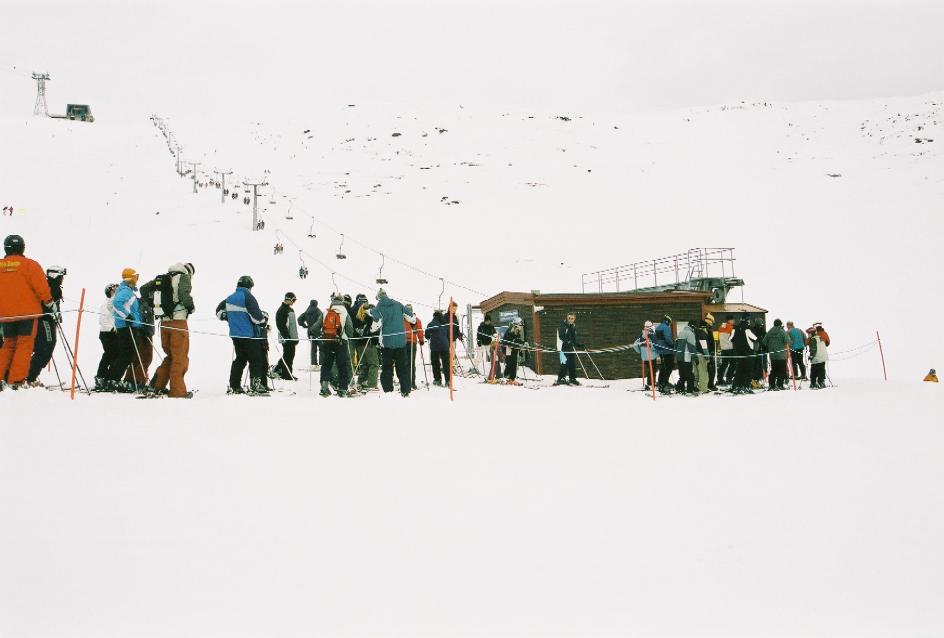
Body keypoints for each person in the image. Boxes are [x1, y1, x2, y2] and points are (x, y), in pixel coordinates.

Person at [0, 235, 53, 390]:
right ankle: (16, 380)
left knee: (8, 344)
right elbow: (41, 287)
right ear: (22, 247)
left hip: (5, 314)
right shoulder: (30, 265)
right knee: (24, 346)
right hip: (27, 314)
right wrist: (49, 302)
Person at [149, 262, 195, 398]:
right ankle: (178, 391)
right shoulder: (183, 277)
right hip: (178, 323)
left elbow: (145, 290)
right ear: (189, 272)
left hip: (164, 323)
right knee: (180, 358)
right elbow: (183, 294)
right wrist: (191, 307)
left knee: (170, 356)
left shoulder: (164, 278)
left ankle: (156, 386)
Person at [217, 275, 268, 395]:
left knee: (240, 359)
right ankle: (255, 385)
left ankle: (235, 385)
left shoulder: (230, 298)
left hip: (235, 335)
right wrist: (263, 320)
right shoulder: (248, 297)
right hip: (249, 335)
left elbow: (219, 312)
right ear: (249, 286)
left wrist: (229, 318)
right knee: (255, 360)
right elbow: (257, 318)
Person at [369, 289, 416, 397]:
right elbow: (412, 319)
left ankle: (388, 391)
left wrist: (371, 330)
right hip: (401, 341)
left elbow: (376, 324)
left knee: (387, 367)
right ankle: (405, 390)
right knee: (402, 367)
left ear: (378, 298)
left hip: (387, 343)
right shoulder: (398, 304)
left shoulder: (378, 307)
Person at [105, 268, 144, 392]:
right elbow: (117, 303)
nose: (137, 280)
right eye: (135, 277)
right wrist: (127, 316)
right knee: (126, 355)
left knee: (125, 354)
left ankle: (111, 379)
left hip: (127, 326)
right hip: (127, 326)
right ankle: (113, 380)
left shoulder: (126, 290)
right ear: (131, 278)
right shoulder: (126, 291)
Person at [26, 265, 66, 387]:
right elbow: (47, 302)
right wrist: (54, 313)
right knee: (46, 348)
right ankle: (30, 377)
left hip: (42, 320)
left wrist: (57, 314)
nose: (62, 279)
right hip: (45, 320)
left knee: (40, 348)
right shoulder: (53, 287)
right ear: (56, 276)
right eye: (61, 276)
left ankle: (28, 375)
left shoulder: (49, 285)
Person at [319, 293, 354, 397]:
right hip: (340, 342)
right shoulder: (344, 311)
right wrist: (348, 336)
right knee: (342, 365)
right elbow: (350, 329)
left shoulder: (326, 311)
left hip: (328, 340)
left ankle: (324, 387)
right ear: (342, 301)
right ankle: (342, 388)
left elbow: (317, 326)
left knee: (326, 364)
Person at [424, 309, 463, 386]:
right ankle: (448, 381)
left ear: (434, 316)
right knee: (446, 364)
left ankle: (437, 379)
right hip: (445, 346)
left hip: (435, 346)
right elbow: (448, 334)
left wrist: (429, 336)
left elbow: (427, 336)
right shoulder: (445, 324)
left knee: (435, 363)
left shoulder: (431, 324)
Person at [351, 294, 379, 391]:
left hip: (359, 344)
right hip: (369, 343)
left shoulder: (356, 318)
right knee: (374, 364)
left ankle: (361, 382)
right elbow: (374, 330)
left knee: (364, 364)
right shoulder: (370, 318)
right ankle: (372, 384)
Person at [95, 284, 119, 390]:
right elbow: (102, 320)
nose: (116, 292)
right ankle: (102, 377)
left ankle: (105, 377)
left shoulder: (113, 303)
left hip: (110, 332)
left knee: (111, 355)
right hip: (108, 332)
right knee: (111, 355)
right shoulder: (106, 303)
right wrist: (113, 328)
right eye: (114, 290)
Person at [272, 292, 299, 381]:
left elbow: (293, 325)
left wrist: (295, 338)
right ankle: (287, 374)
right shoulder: (282, 310)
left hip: (292, 337)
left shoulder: (290, 310)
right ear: (288, 299)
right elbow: (281, 325)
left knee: (289, 355)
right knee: (288, 355)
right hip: (287, 337)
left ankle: (278, 369)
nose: (294, 302)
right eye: (293, 300)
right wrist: (286, 337)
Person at [730, 318, 758, 394]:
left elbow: (731, 338)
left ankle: (737, 386)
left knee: (739, 370)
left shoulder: (734, 328)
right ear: (747, 321)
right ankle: (746, 386)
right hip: (748, 352)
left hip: (738, 353)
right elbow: (755, 338)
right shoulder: (748, 328)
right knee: (748, 371)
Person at [762, 318, 791, 390]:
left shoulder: (770, 331)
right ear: (780, 324)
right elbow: (788, 341)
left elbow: (764, 342)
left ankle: (771, 385)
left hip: (772, 355)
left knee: (773, 370)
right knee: (781, 370)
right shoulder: (782, 331)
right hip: (781, 355)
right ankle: (780, 385)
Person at [554, 312, 581, 386]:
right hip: (563, 347)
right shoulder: (563, 325)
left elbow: (573, 339)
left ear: (574, 319)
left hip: (570, 347)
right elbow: (561, 336)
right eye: (569, 318)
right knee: (565, 363)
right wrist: (568, 341)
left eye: (572, 318)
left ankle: (572, 378)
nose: (570, 320)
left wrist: (578, 345)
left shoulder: (573, 326)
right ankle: (561, 378)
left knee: (572, 363)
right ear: (567, 318)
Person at [651, 315, 675, 393]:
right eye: (670, 323)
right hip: (667, 351)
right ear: (667, 321)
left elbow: (654, 340)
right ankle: (664, 382)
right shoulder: (665, 327)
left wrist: (658, 348)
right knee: (669, 367)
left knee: (664, 367)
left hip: (661, 351)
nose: (669, 325)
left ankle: (662, 382)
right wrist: (673, 345)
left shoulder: (657, 328)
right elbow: (668, 338)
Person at [296, 299, 323, 368]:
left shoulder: (307, 312)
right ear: (316, 304)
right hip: (318, 332)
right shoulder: (318, 311)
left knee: (313, 348)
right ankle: (320, 364)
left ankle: (313, 364)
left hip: (310, 332)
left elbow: (299, 320)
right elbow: (321, 321)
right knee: (321, 348)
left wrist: (304, 325)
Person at [632, 320, 658, 390]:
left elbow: (635, 345)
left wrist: (640, 351)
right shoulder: (651, 334)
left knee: (651, 369)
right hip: (651, 356)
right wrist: (656, 350)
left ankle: (651, 383)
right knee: (653, 370)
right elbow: (655, 345)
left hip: (644, 356)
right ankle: (651, 384)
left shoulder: (641, 334)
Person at [404, 304, 424, 390]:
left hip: (403, 342)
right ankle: (412, 383)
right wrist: (421, 340)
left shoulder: (402, 319)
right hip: (412, 342)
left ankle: (406, 382)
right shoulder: (416, 320)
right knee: (411, 362)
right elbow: (420, 330)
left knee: (404, 363)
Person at [674, 320, 697, 395]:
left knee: (682, 375)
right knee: (690, 375)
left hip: (679, 357)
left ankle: (679, 388)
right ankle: (689, 391)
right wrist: (695, 357)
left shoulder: (681, 332)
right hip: (686, 358)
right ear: (692, 326)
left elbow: (675, 345)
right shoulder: (690, 334)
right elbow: (691, 347)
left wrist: (676, 354)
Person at [477, 313, 500, 379]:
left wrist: (496, 336)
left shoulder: (491, 327)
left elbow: (494, 334)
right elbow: (478, 335)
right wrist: (478, 340)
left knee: (492, 356)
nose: (489, 322)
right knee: (479, 357)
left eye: (490, 321)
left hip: (489, 344)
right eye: (488, 321)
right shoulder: (481, 327)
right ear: (485, 321)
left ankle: (493, 370)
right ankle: (474, 368)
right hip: (481, 344)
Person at [502, 319, 525, 384]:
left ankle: (512, 378)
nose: (521, 327)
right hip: (508, 350)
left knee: (514, 363)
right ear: (516, 325)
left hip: (514, 350)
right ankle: (507, 377)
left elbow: (518, 340)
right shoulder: (510, 330)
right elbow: (508, 341)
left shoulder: (517, 331)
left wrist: (522, 344)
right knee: (510, 363)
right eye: (520, 325)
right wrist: (516, 343)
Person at [693, 319, 711, 394]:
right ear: (704, 327)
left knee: (696, 373)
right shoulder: (702, 334)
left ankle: (694, 387)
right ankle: (703, 389)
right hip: (701, 355)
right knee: (703, 373)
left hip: (693, 355)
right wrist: (707, 356)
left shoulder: (694, 332)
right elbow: (704, 347)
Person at [716, 316, 735, 386]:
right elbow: (733, 338)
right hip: (730, 348)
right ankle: (729, 378)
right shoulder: (731, 327)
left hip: (723, 349)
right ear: (729, 320)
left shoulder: (721, 327)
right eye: (733, 320)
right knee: (733, 364)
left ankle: (720, 379)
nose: (734, 321)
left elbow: (719, 338)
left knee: (724, 364)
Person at [751, 317, 767, 389]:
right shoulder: (761, 331)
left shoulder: (752, 330)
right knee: (758, 366)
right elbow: (764, 341)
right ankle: (755, 381)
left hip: (755, 351)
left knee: (757, 366)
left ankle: (756, 381)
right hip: (759, 350)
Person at [703, 313, 717, 390]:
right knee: (711, 370)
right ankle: (710, 384)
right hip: (708, 353)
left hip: (705, 352)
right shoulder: (708, 330)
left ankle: (707, 383)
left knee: (705, 370)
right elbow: (710, 342)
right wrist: (711, 352)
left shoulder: (703, 329)